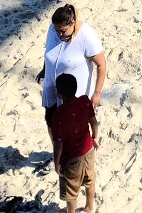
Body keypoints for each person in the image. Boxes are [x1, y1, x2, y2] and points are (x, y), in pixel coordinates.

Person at [38, 5, 107, 118]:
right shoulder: (54, 28)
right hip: (52, 90)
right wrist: (45, 69)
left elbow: (101, 64)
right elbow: (50, 52)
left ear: (73, 23)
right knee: (52, 122)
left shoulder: (86, 36)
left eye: (63, 31)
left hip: (74, 96)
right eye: (56, 31)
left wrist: (97, 93)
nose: (59, 35)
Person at [46, 73, 98, 213]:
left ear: (60, 94)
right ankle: (89, 207)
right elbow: (94, 122)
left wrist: (56, 163)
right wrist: (95, 137)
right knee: (90, 180)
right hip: (88, 151)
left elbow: (58, 144)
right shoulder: (85, 101)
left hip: (71, 159)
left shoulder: (58, 115)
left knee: (71, 189)